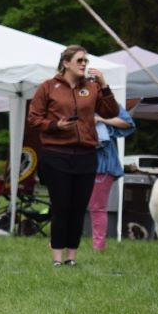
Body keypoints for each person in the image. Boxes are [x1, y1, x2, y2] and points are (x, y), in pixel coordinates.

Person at [27, 45, 118, 266]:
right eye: (79, 60)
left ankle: (71, 257)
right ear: (66, 62)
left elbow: (111, 112)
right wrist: (55, 125)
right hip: (56, 155)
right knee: (61, 206)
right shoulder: (48, 87)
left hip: (86, 155)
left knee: (79, 208)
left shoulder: (92, 87)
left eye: (86, 61)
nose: (84, 64)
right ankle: (57, 257)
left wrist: (105, 86)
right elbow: (34, 118)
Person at [87, 103, 135, 251]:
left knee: (97, 207)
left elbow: (128, 123)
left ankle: (98, 246)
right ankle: (63, 242)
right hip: (79, 160)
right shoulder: (73, 100)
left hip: (102, 164)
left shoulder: (107, 104)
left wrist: (101, 120)